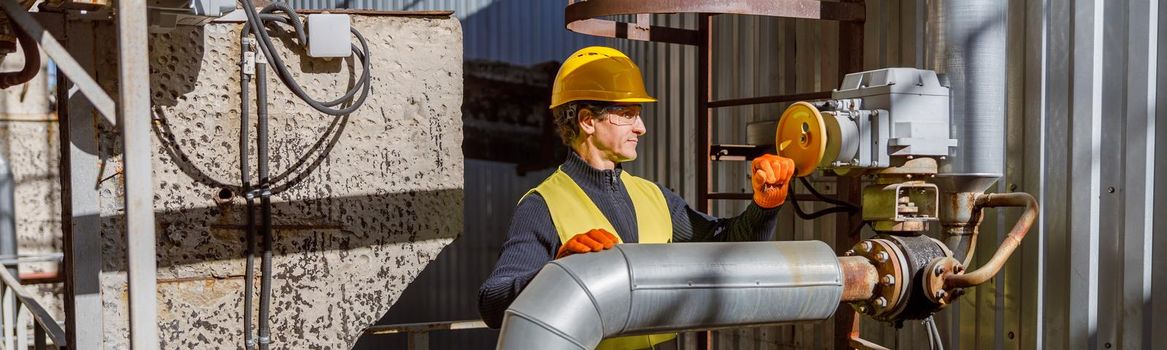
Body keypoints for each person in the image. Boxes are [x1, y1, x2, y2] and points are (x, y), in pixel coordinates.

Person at [477, 46, 796, 350]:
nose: (641, 127)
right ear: (588, 120)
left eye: (638, 114)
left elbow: (728, 247)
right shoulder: (542, 205)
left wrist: (765, 204)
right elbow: (492, 302)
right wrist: (556, 272)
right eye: (627, 114)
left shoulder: (654, 197)